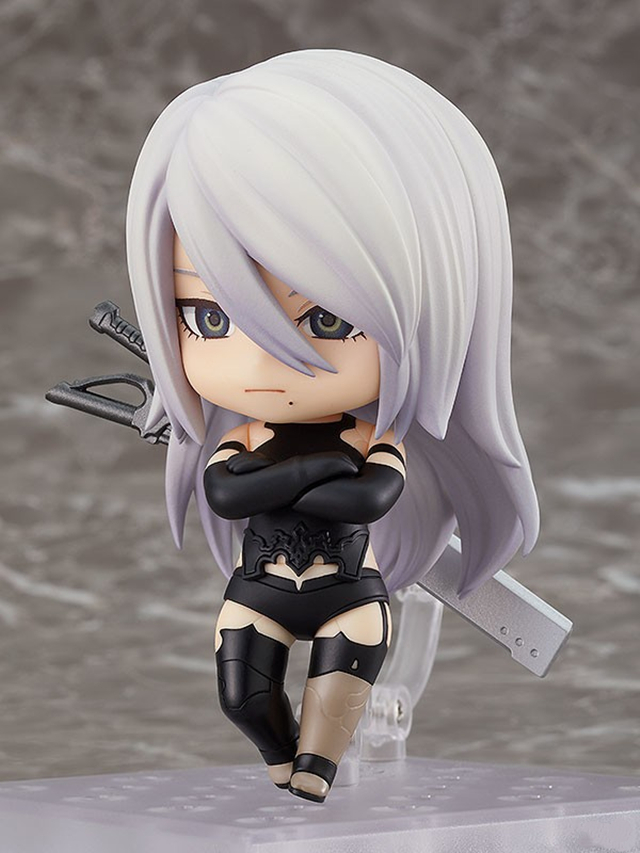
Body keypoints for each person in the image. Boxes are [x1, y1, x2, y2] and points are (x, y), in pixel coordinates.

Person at [125, 49, 539, 802]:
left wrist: (289, 479)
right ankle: (282, 765)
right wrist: (315, 473)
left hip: (350, 594)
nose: (262, 364)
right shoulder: (255, 437)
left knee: (328, 737)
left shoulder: (367, 439)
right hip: (260, 588)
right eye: (209, 318)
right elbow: (225, 493)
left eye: (326, 319)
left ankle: (312, 777)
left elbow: (366, 499)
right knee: (243, 700)